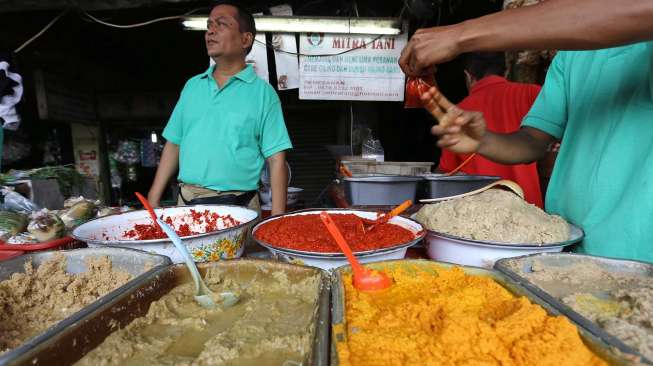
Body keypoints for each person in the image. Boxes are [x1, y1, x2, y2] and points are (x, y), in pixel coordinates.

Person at [400, 0, 653, 262]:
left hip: (639, 256)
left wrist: (460, 35)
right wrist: (483, 140)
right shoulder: (572, 55)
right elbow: (532, 142)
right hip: (565, 245)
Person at [148, 0, 292, 215]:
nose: (210, 31)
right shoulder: (192, 86)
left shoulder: (263, 94)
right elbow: (174, 144)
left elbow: (276, 159)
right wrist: (153, 198)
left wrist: (277, 219)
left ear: (245, 39)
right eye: (209, 25)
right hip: (186, 205)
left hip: (240, 208)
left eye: (221, 24)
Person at [439, 52, 543, 207]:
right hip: (530, 210)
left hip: (480, 216)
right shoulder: (533, 94)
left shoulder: (458, 114)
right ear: (506, 71)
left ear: (468, 76)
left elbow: (446, 173)